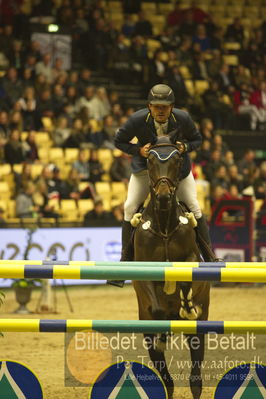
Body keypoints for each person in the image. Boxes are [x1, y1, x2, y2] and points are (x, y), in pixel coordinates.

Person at [108, 84, 218, 287]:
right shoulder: (137, 120)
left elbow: (197, 139)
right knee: (130, 207)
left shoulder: (183, 118)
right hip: (146, 170)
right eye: (156, 106)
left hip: (177, 172)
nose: (160, 110)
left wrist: (185, 146)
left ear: (172, 107)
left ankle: (210, 258)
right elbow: (118, 140)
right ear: (149, 106)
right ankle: (124, 263)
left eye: (165, 107)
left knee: (194, 206)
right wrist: (138, 150)